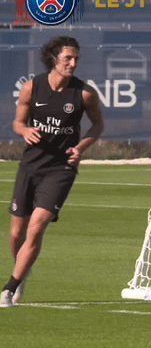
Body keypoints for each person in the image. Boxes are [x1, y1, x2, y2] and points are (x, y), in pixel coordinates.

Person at [1, 36, 104, 307]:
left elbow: (97, 127)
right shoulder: (31, 88)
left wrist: (81, 147)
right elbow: (17, 123)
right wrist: (25, 130)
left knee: (36, 228)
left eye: (76, 58)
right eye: (67, 58)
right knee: (16, 234)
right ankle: (21, 272)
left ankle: (8, 289)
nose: (73, 63)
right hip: (30, 166)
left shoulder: (84, 94)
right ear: (53, 59)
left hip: (61, 170)